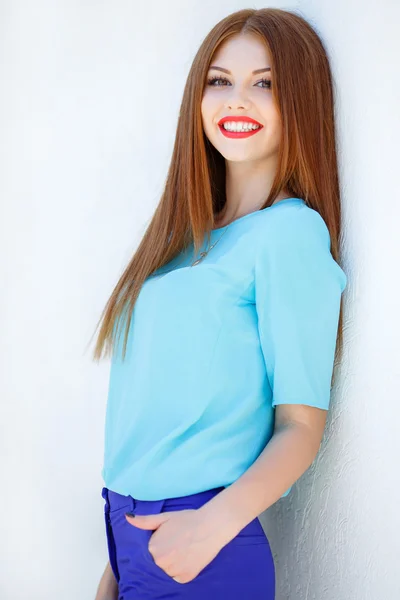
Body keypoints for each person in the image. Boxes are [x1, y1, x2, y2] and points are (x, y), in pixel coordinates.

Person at [92, 7, 347, 600]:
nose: (237, 100)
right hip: (131, 540)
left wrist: (209, 528)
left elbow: (301, 426)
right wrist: (116, 563)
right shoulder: (182, 243)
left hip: (204, 545)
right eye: (219, 80)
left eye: (264, 83)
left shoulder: (289, 234)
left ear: (301, 102)